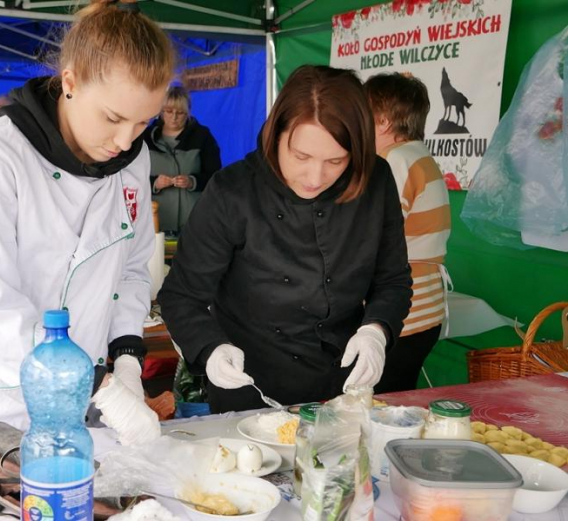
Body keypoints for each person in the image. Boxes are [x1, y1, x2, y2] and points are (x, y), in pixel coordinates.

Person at [0, 0, 175, 448]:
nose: (125, 141)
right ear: (70, 81)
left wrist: (128, 362)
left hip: (84, 410)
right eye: (113, 118)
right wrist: (103, 388)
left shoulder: (132, 160)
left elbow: (132, 270)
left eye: (143, 123)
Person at [158, 66, 413, 413]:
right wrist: (210, 348)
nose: (314, 177)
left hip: (343, 390)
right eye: (301, 156)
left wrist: (376, 332)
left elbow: (393, 280)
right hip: (249, 389)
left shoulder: (374, 181)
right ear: (277, 134)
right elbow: (181, 295)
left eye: (335, 161)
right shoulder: (233, 191)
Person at [364, 72, 451, 393]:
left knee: (378, 403)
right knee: (397, 399)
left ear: (383, 121)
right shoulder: (418, 155)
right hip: (420, 310)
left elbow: (373, 235)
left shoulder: (395, 161)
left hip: (403, 314)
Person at [144, 86, 221, 233]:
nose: (174, 117)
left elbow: (216, 176)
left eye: (180, 113)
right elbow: (131, 180)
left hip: (194, 222)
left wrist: (193, 181)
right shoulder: (145, 138)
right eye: (168, 111)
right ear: (160, 111)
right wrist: (155, 183)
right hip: (154, 223)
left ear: (188, 113)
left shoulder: (202, 136)